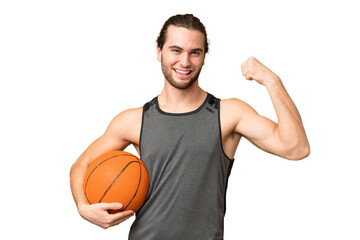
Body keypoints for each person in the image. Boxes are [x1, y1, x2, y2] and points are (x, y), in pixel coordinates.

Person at [70, 14, 310, 239]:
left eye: (195, 52)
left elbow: (296, 148)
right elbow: (82, 164)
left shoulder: (228, 114)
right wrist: (83, 207)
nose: (184, 61)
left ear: (205, 56)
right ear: (159, 52)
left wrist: (272, 81)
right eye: (176, 50)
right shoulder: (133, 120)